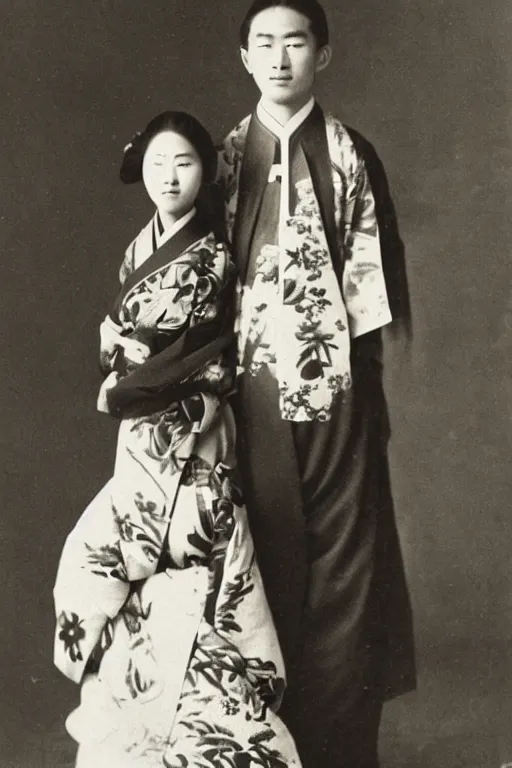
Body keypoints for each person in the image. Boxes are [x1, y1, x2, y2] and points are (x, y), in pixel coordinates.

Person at [53, 110, 302, 768]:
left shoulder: (210, 258)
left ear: (204, 174)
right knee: (134, 562)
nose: (170, 175)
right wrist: (120, 354)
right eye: (158, 162)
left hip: (189, 423)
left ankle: (211, 731)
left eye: (184, 163)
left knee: (191, 554)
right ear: (142, 170)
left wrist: (123, 375)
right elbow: (122, 332)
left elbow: (190, 350)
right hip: (142, 431)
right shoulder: (141, 247)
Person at [217, 2, 416, 766]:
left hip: (337, 397)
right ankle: (262, 747)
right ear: (244, 57)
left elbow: (369, 290)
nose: (278, 58)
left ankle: (335, 749)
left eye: (294, 42)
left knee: (345, 571)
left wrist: (366, 393)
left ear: (322, 55)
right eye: (263, 43)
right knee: (253, 561)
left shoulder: (349, 155)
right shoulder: (226, 155)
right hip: (245, 396)